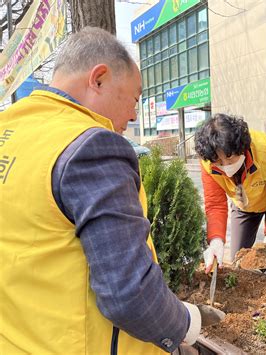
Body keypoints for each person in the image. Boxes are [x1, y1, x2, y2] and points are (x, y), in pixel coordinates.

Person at [0, 27, 220, 354]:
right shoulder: (92, 147)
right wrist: (186, 324)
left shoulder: (11, 128)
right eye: (134, 98)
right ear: (98, 79)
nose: (133, 115)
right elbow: (129, 294)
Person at [194, 114, 266, 273]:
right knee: (238, 260)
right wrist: (216, 240)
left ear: (242, 149)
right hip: (242, 204)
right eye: (219, 162)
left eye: (229, 160)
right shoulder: (208, 162)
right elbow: (215, 205)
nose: (225, 167)